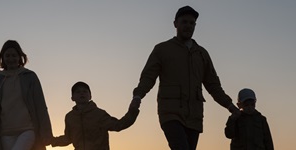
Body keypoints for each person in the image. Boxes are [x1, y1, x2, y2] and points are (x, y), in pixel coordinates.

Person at [132, 6, 241, 150]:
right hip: (170, 113)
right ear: (175, 24)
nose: (188, 26)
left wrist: (230, 106)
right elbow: (148, 77)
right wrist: (138, 96)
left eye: (192, 23)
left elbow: (213, 85)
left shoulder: (202, 54)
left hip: (194, 117)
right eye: (184, 22)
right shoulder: (162, 49)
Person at [0, 40, 53, 150]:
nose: (11, 59)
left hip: (27, 130)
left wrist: (46, 133)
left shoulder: (30, 77)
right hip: (5, 134)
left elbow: (40, 106)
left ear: (20, 57)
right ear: (2, 57)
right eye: (7, 55)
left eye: (14, 55)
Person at [51, 81, 140, 150]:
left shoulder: (99, 114)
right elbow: (68, 138)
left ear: (90, 96)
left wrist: (133, 111)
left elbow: (119, 125)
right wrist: (51, 141)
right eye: (78, 92)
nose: (82, 93)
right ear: (72, 98)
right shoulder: (70, 117)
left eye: (85, 91)